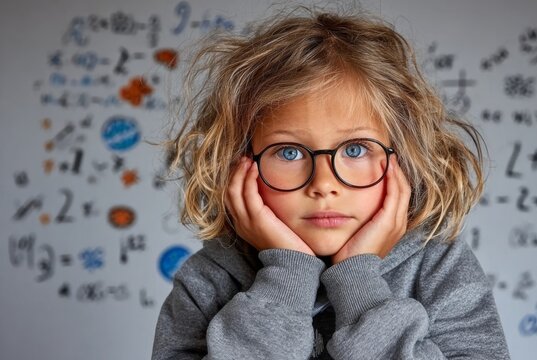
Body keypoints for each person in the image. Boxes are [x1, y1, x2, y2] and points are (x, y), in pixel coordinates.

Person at [152, 4, 510, 359]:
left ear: (403, 156)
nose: (323, 184)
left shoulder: (440, 268)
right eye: (289, 152)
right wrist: (285, 279)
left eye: (355, 149)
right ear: (238, 163)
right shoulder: (207, 280)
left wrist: (360, 285)